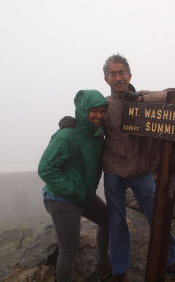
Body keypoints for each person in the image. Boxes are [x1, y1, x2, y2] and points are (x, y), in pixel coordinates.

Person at [59, 54, 175, 281]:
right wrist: (69, 122)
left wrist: (141, 97)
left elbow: (174, 94)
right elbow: (87, 118)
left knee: (158, 215)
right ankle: (119, 269)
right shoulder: (105, 105)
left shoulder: (144, 99)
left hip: (142, 172)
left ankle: (171, 258)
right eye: (113, 74)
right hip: (114, 173)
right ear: (106, 79)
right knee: (117, 221)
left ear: (129, 75)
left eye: (122, 73)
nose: (118, 78)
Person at [38, 90, 111, 282]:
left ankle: (103, 263)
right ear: (82, 110)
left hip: (83, 195)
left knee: (108, 222)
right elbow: (45, 169)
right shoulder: (66, 136)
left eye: (103, 111)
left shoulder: (97, 136)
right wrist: (73, 191)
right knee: (69, 251)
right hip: (62, 199)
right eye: (93, 110)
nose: (99, 115)